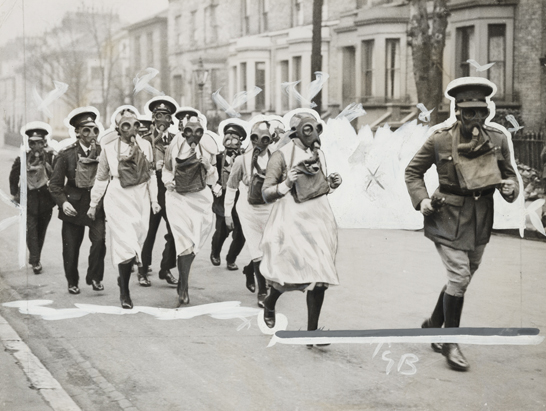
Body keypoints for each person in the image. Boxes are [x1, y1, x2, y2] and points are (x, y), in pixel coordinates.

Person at [405, 77, 519, 371]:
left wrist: (510, 188)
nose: (477, 119)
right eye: (470, 113)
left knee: (464, 275)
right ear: (458, 111)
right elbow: (413, 173)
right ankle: (450, 341)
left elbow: (510, 176)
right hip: (447, 216)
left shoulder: (497, 139)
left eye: (482, 112)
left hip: (481, 217)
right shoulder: (439, 139)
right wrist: (422, 201)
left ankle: (433, 324)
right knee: (460, 277)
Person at [259, 109, 342, 339]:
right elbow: (266, 193)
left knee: (321, 276)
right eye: (305, 128)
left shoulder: (319, 154)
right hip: (291, 220)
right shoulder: (281, 155)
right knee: (293, 275)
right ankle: (270, 301)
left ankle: (312, 332)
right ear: (293, 132)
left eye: (314, 128)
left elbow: (318, 185)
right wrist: (286, 183)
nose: (311, 134)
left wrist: (332, 183)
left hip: (320, 219)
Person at [88, 106, 160, 309]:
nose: (131, 129)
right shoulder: (108, 149)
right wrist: (94, 204)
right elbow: (101, 179)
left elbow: (151, 175)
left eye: (135, 125)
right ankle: (125, 293)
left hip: (140, 198)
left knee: (138, 237)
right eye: (125, 125)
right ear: (118, 129)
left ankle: (124, 275)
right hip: (118, 197)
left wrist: (154, 200)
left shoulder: (146, 146)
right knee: (125, 244)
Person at [49, 107, 107, 294]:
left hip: (95, 205)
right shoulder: (66, 154)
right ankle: (72, 281)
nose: (91, 134)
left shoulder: (102, 152)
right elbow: (55, 185)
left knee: (99, 242)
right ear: (77, 132)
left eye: (94, 129)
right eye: (86, 130)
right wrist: (63, 203)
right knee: (71, 248)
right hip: (73, 206)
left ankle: (95, 277)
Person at [162, 115, 219, 307]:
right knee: (183, 240)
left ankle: (183, 279)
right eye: (189, 130)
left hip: (200, 199)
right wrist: (168, 182)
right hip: (178, 199)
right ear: (183, 130)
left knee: (196, 240)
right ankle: (183, 287)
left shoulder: (209, 147)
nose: (193, 135)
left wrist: (207, 166)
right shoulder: (174, 146)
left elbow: (213, 179)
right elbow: (167, 170)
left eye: (198, 130)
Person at [223, 119, 278, 307]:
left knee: (271, 249)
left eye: (264, 139)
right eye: (255, 137)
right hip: (248, 211)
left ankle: (249, 271)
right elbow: (231, 188)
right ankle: (262, 292)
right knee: (257, 250)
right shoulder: (241, 160)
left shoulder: (277, 158)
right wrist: (227, 214)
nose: (259, 143)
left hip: (270, 209)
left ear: (270, 140)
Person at [139, 96, 179, 287]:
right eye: (159, 115)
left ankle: (166, 268)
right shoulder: (145, 140)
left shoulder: (175, 140)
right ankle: (142, 269)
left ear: (171, 120)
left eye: (166, 116)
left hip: (170, 191)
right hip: (152, 190)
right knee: (150, 231)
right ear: (153, 118)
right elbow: (138, 166)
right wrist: (154, 166)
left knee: (174, 231)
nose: (163, 120)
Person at [9, 122, 56, 274]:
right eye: (33, 142)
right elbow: (13, 175)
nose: (36, 146)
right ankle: (35, 261)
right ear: (28, 143)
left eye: (39, 142)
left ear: (44, 142)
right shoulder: (22, 158)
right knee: (31, 230)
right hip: (28, 200)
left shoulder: (50, 156)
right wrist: (15, 193)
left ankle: (36, 257)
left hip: (46, 200)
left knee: (41, 231)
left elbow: (58, 174)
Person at [210, 118, 249, 271]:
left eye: (235, 138)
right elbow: (210, 174)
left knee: (241, 232)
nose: (231, 141)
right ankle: (215, 252)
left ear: (240, 141)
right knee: (222, 229)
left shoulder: (246, 157)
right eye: (228, 138)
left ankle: (231, 258)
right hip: (223, 196)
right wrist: (215, 185)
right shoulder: (218, 157)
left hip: (241, 197)